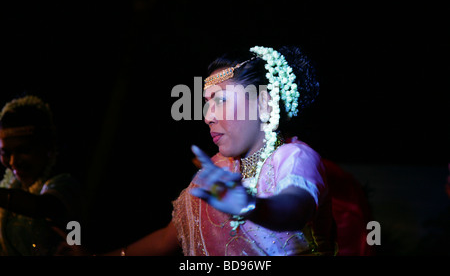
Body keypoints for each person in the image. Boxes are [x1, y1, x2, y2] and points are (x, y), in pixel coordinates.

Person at [98, 45, 336, 256]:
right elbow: (164, 241)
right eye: (207, 103)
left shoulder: (294, 157)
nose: (207, 117)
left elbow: (295, 207)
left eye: (220, 100)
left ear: (265, 103)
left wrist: (251, 206)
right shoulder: (219, 169)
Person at [0, 95, 81, 255]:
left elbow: (42, 207)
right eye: (5, 153)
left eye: (24, 151)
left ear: (47, 147)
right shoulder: (10, 187)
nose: (13, 161)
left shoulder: (65, 186)